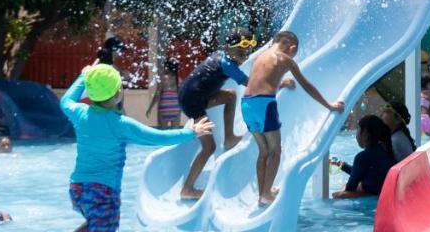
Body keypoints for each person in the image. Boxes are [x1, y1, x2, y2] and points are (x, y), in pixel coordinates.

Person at [59, 64, 212, 232]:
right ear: (118, 93)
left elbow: (65, 101)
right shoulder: (121, 124)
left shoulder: (80, 113)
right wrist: (191, 133)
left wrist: (82, 76)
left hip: (77, 188)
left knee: (101, 222)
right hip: (103, 191)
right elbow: (156, 137)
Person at [242, 31, 343, 207]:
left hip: (246, 105)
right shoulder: (284, 59)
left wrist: (281, 83)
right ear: (292, 48)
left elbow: (259, 81)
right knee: (275, 151)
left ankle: (262, 192)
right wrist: (329, 105)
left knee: (263, 151)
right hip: (264, 105)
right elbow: (307, 86)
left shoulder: (257, 57)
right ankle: (266, 194)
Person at [176, 28, 256, 200]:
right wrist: (279, 84)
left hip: (194, 95)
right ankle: (187, 189)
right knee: (209, 147)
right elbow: (252, 84)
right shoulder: (227, 65)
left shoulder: (223, 56)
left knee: (230, 96)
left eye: (247, 52)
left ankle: (229, 137)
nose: (245, 56)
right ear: (229, 48)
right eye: (241, 52)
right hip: (193, 102)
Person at [332, 115, 395, 199]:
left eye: (358, 130)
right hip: (384, 196)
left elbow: (350, 187)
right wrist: (342, 165)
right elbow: (363, 172)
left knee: (338, 195)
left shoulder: (362, 157)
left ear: (365, 133)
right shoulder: (385, 151)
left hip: (371, 200)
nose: (356, 134)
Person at [146, 58, 182, 129]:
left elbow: (157, 95)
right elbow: (181, 96)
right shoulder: (179, 80)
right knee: (175, 134)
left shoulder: (163, 78)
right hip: (176, 109)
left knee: (163, 134)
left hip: (164, 109)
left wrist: (150, 108)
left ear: (167, 67)